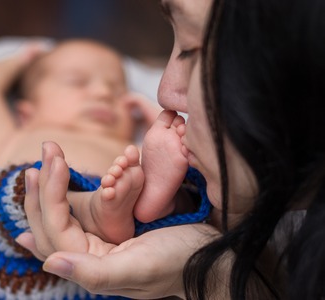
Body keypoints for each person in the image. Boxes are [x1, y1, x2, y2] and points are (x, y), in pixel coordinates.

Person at [16, 0, 325, 299]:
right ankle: (116, 207)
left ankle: (147, 204)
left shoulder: (134, 145)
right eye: (76, 82)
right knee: (19, 189)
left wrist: (205, 275)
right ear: (24, 112)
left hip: (119, 190)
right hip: (65, 188)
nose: (165, 92)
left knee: (176, 190)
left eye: (191, 49)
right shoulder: (23, 134)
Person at [0, 38, 197, 299]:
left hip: (133, 261)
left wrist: (159, 124)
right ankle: (92, 210)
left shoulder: (129, 147)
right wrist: (23, 58)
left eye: (117, 91)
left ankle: (158, 204)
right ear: (26, 113)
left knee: (188, 190)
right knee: (14, 187)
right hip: (37, 267)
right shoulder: (17, 136)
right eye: (77, 82)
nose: (102, 93)